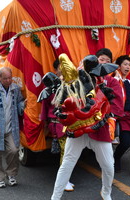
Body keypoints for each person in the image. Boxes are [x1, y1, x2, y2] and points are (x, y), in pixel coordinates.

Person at [51, 54, 124, 200]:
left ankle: (106, 192)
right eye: (101, 59)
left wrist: (105, 112)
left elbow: (117, 106)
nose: (103, 63)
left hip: (99, 129)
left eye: (106, 61)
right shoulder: (72, 80)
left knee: (108, 166)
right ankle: (55, 197)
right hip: (76, 130)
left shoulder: (112, 82)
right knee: (67, 163)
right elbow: (60, 103)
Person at [0, 67, 25, 188]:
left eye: (10, 78)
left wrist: (24, 104)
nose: (8, 80)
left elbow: (19, 103)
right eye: (5, 78)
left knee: (14, 150)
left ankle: (11, 174)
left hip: (11, 127)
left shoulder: (15, 89)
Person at [41, 59, 75, 192]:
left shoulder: (70, 85)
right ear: (56, 70)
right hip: (57, 123)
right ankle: (63, 180)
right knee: (65, 152)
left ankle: (66, 178)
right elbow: (44, 107)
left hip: (69, 122)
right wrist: (44, 123)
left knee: (69, 152)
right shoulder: (49, 87)